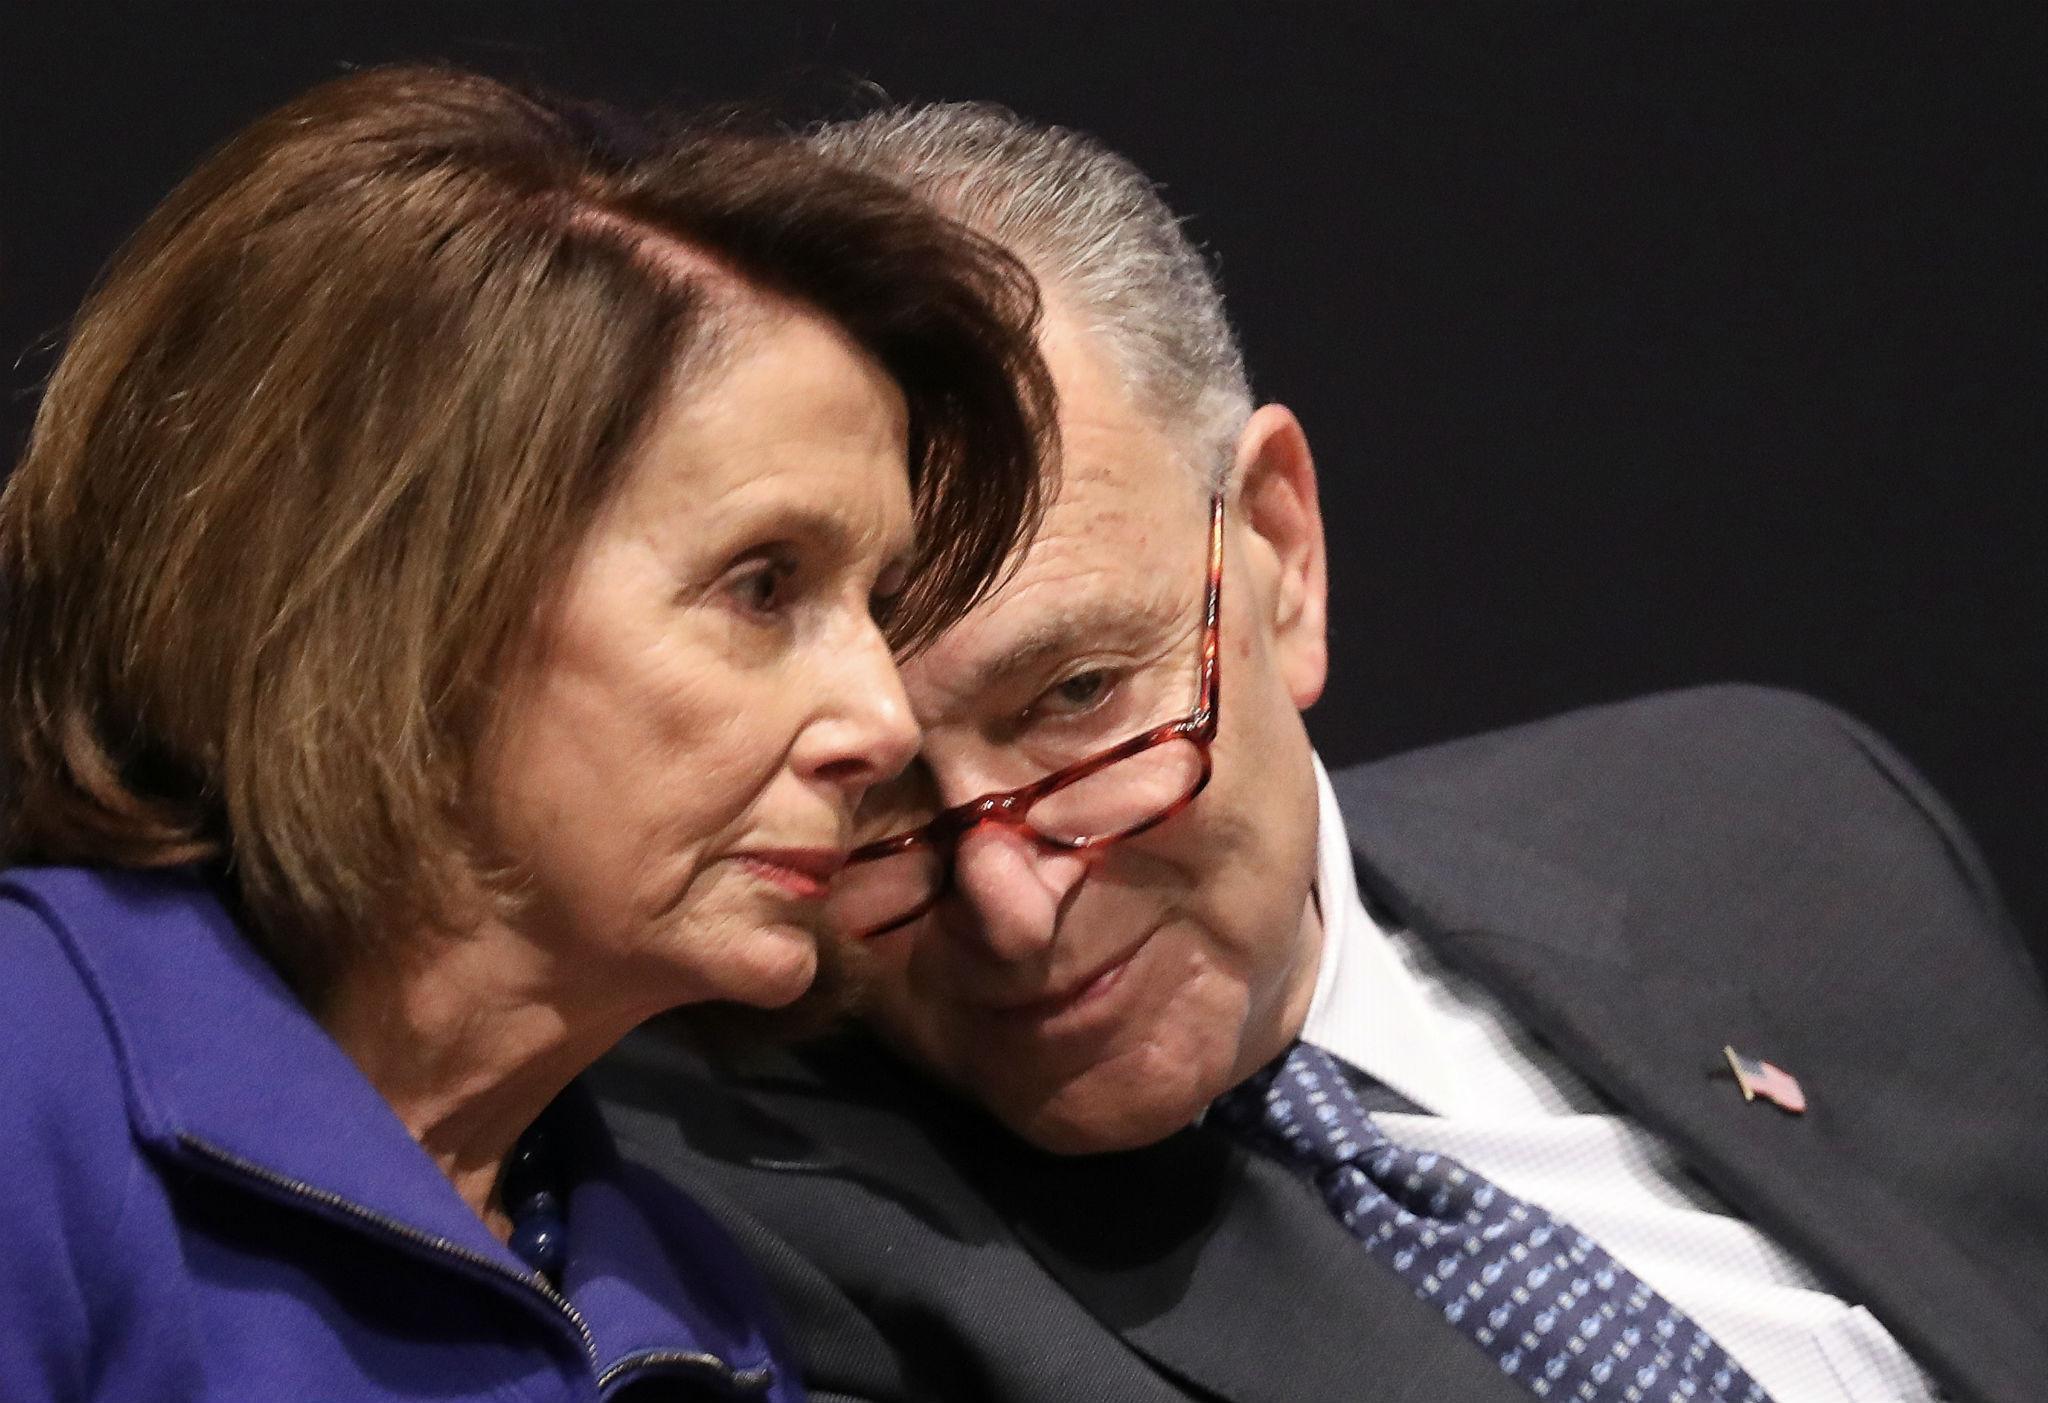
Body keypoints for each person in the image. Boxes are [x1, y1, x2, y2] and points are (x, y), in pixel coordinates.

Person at [592, 104, 2048, 1403]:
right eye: (883, 791)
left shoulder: (1774, 816)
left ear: (1280, 551)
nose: (1010, 902)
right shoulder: (756, 1246)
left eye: (1080, 697)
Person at [0, 69, 1057, 1401]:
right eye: (763, 584)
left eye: (875, 605)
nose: (881, 721)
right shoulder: (29, 1072)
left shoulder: (706, 1321)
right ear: (395, 598)